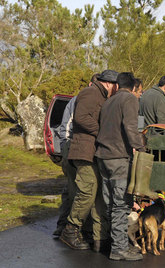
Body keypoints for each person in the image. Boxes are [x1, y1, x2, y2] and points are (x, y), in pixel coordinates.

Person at [60, 70, 119, 251]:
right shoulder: (90, 92)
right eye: (117, 85)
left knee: (96, 193)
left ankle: (98, 236)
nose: (118, 89)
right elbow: (81, 118)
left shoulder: (100, 96)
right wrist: (104, 131)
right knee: (87, 191)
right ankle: (70, 229)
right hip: (83, 151)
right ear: (109, 83)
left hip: (92, 152)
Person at [95, 72, 144, 261]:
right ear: (132, 87)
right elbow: (130, 127)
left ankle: (117, 244)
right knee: (121, 205)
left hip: (103, 157)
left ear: (118, 85)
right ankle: (119, 249)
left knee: (110, 204)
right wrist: (140, 148)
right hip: (118, 158)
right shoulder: (129, 100)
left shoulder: (109, 101)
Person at [53, 74, 100, 237]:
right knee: (75, 189)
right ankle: (67, 228)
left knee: (72, 189)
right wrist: (65, 148)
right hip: (71, 145)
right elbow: (68, 126)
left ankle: (64, 225)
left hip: (72, 145)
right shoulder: (81, 98)